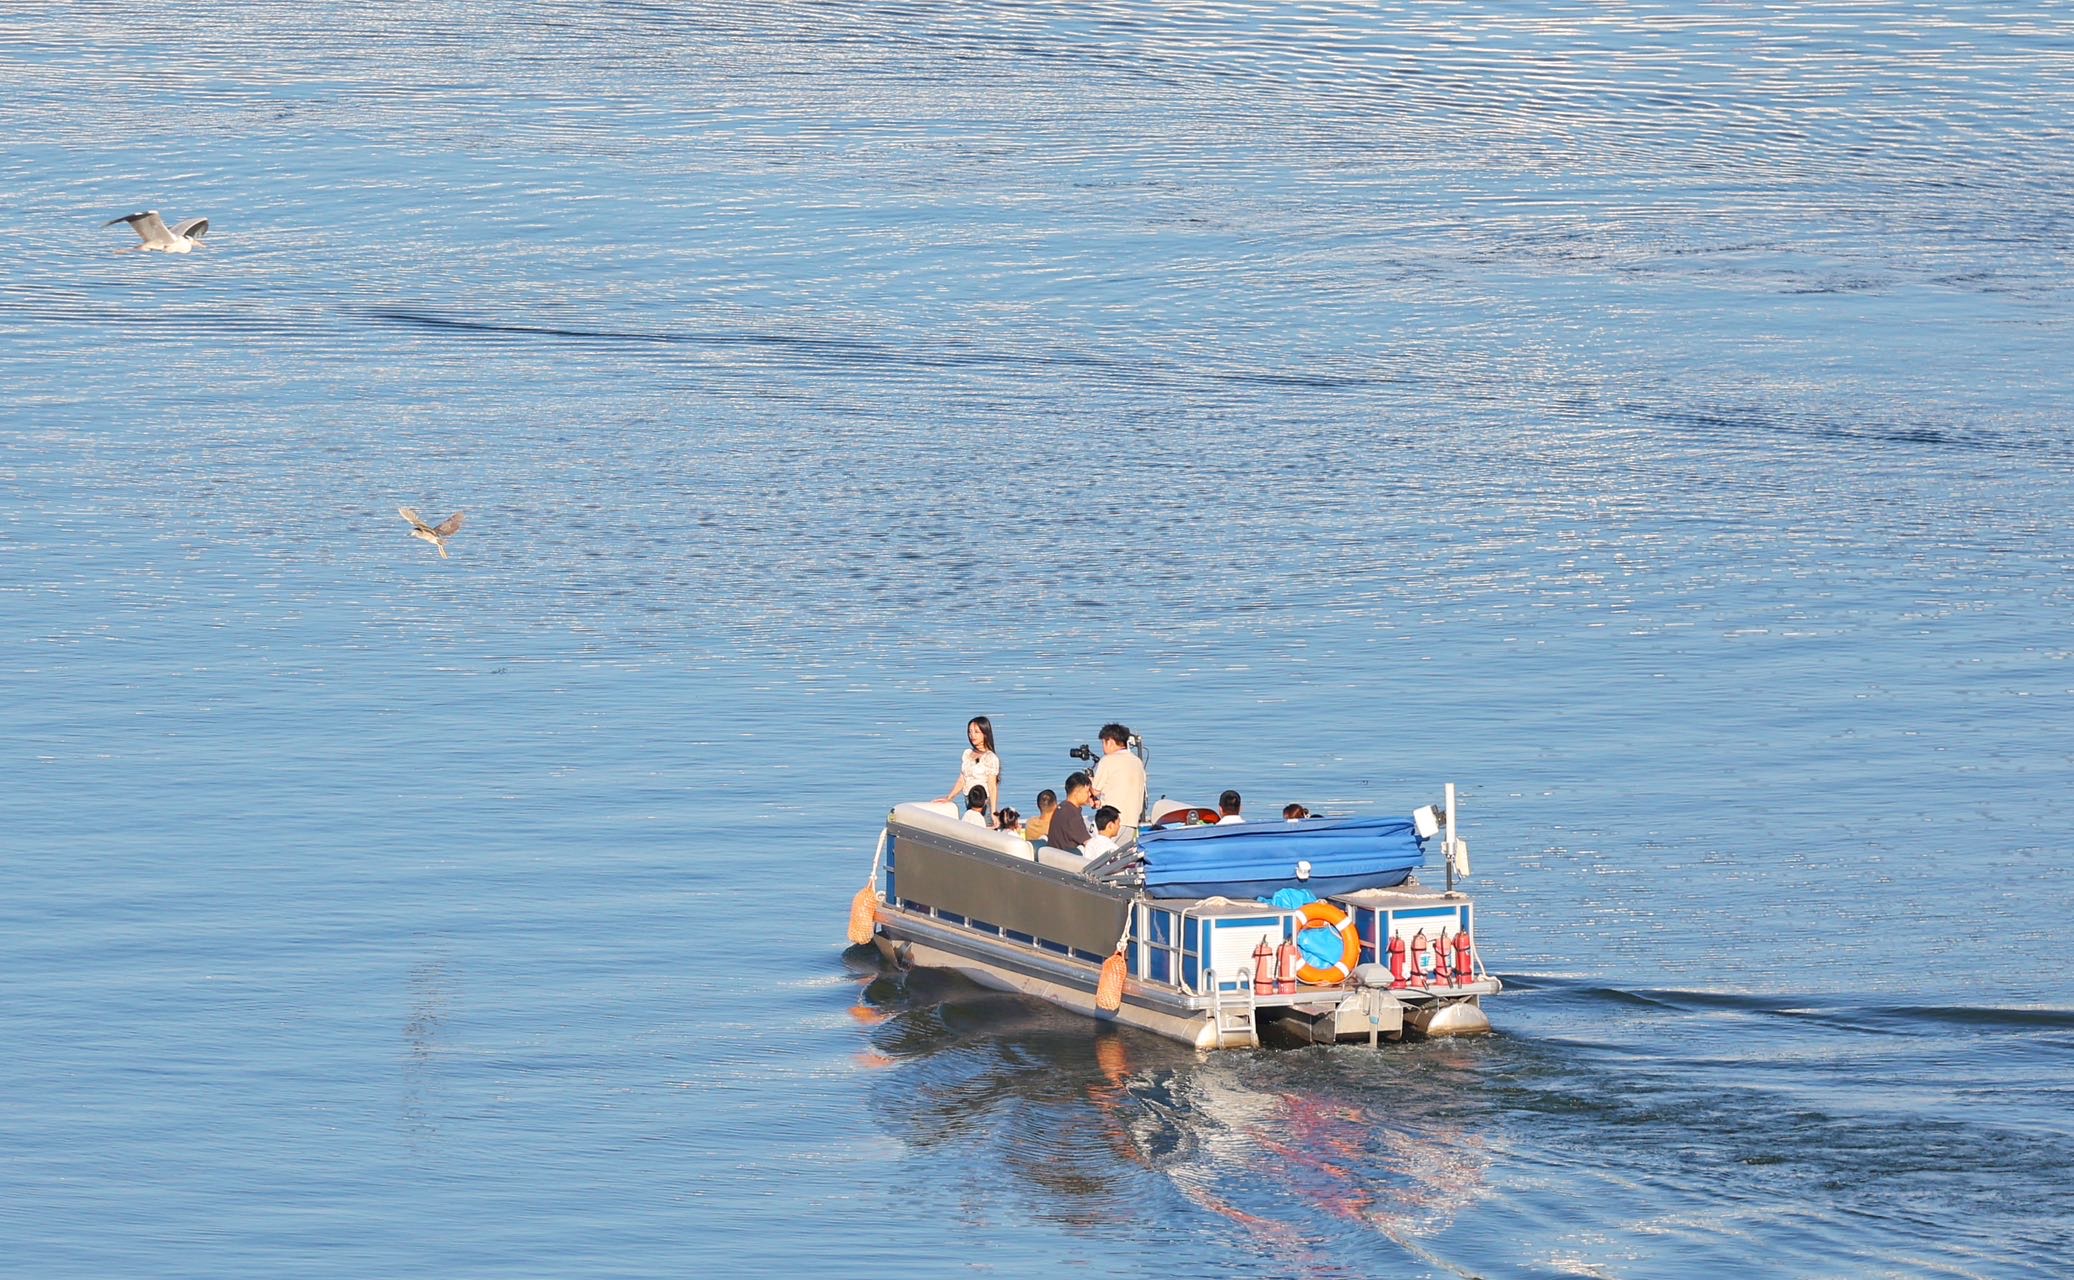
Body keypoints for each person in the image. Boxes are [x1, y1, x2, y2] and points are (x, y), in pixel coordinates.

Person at [1090, 723, 1147, 844]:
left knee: (1104, 857)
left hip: (1111, 822)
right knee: (1121, 859)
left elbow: (1095, 790)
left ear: (1110, 741)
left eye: (1103, 743)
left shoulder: (1108, 760)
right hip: (1132, 821)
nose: (1103, 748)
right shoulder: (1137, 762)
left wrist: (1089, 780)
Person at [942, 716, 999, 818]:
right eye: (970, 732)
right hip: (969, 799)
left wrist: (994, 812)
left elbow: (992, 786)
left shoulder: (990, 757)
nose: (972, 735)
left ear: (985, 734)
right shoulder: (967, 754)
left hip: (983, 803)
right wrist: (949, 798)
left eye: (976, 732)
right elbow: (962, 779)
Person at [1047, 772, 1095, 853]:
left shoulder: (1062, 807)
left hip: (1056, 855)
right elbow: (1090, 844)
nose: (1090, 794)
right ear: (1076, 793)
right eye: (1087, 791)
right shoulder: (1072, 815)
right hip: (1067, 859)